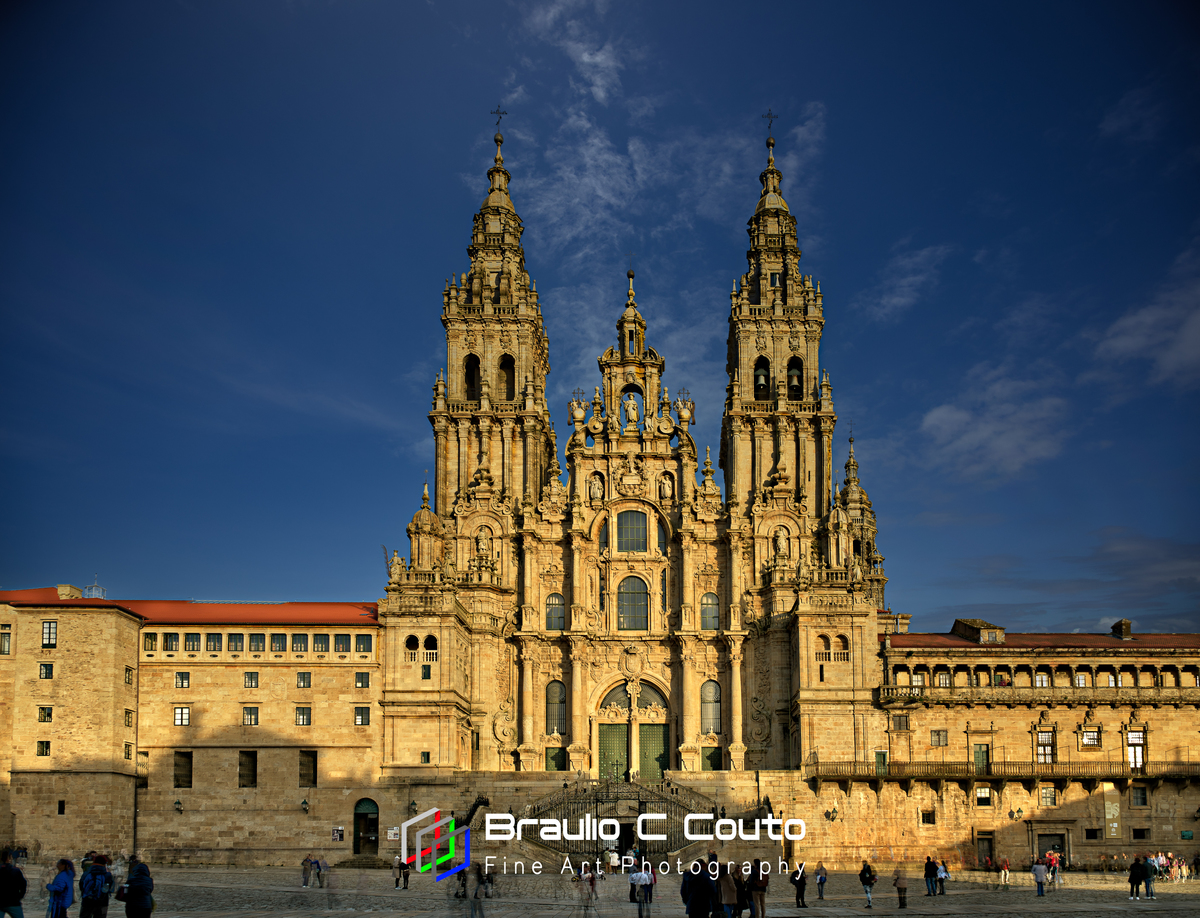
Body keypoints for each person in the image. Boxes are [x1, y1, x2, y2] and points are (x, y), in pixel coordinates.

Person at [0, 848, 27, 918]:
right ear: (8, 859)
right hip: (13, 902)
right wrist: (19, 897)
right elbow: (23, 885)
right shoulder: (16, 871)